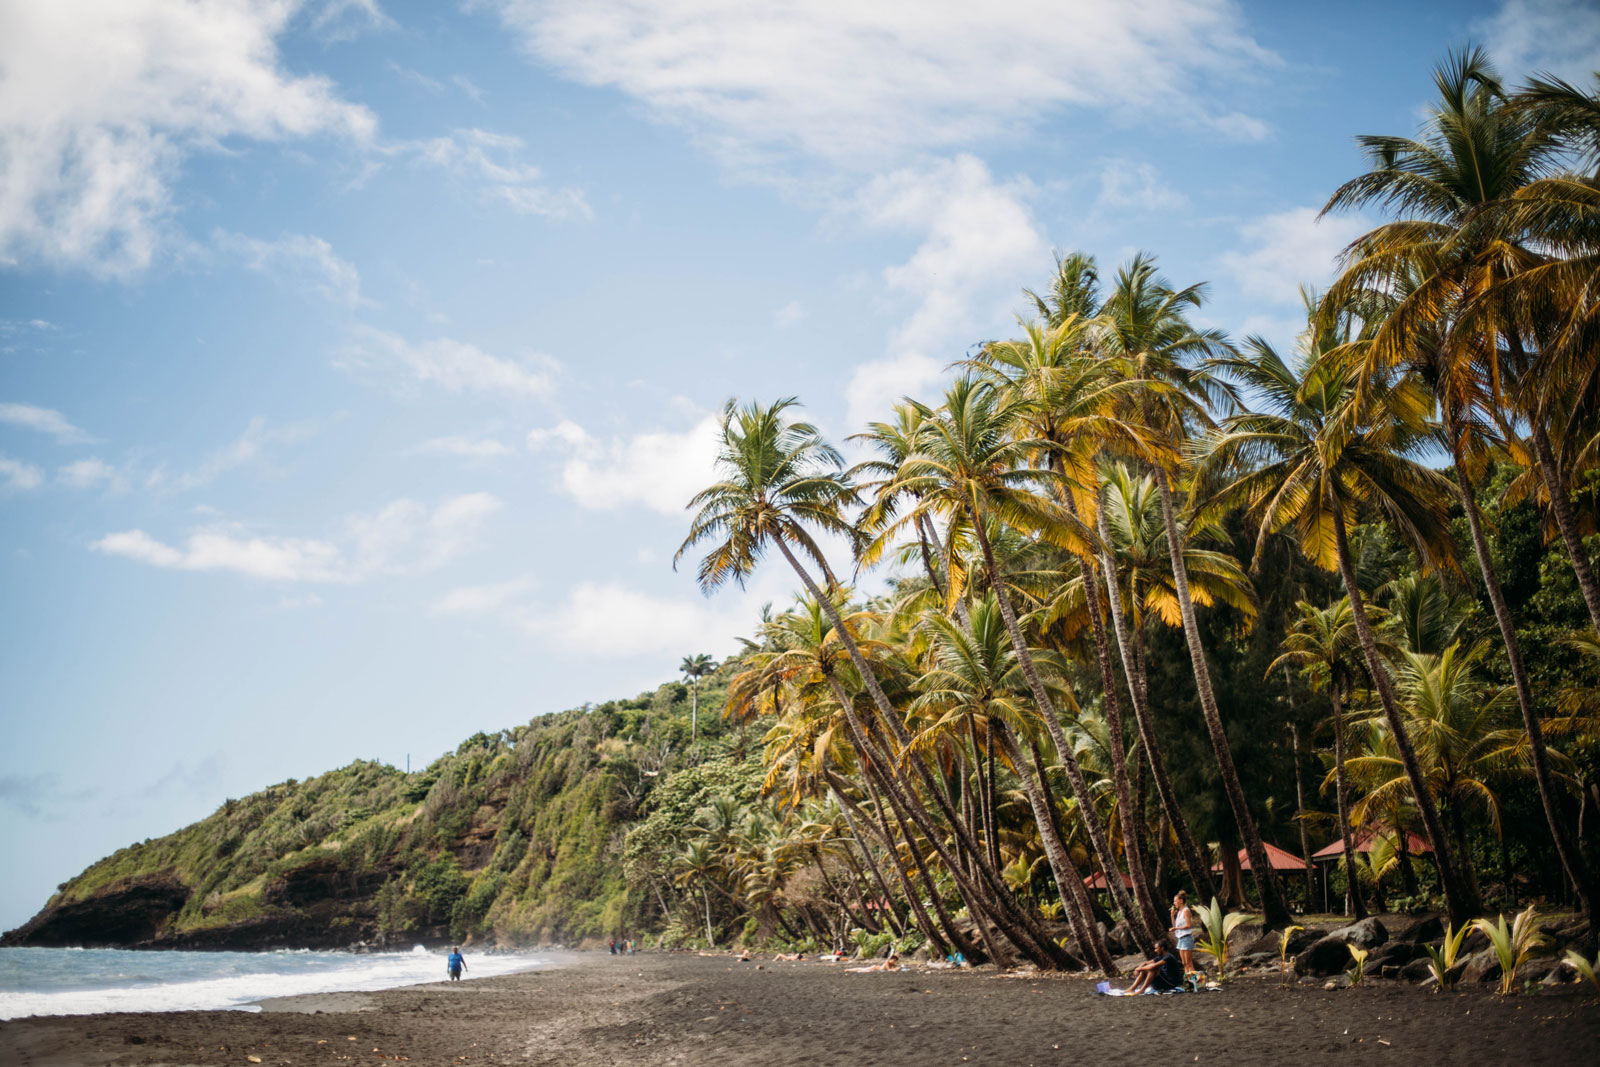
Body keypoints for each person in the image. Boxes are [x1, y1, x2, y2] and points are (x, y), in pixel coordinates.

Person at [1170, 891, 1195, 974]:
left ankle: (1195, 982)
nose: (1174, 903)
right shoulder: (1179, 912)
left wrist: (1176, 928)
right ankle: (1188, 981)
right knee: (1184, 963)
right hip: (1180, 939)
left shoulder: (1186, 911)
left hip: (1187, 938)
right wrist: (1172, 915)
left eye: (1175, 901)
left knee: (1189, 963)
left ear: (1181, 901)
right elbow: (1174, 926)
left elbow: (1189, 925)